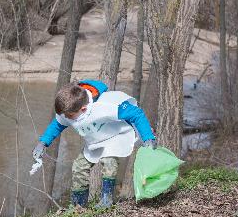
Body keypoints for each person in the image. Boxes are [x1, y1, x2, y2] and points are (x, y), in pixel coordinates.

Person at [32, 79, 156, 208]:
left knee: (109, 163)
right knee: (79, 167)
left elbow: (136, 114)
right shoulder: (69, 110)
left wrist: (147, 137)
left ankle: (106, 199)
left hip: (114, 137)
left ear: (84, 109)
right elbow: (57, 125)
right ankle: (78, 205)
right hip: (94, 141)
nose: (67, 118)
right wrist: (43, 143)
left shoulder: (106, 105)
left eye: (69, 116)